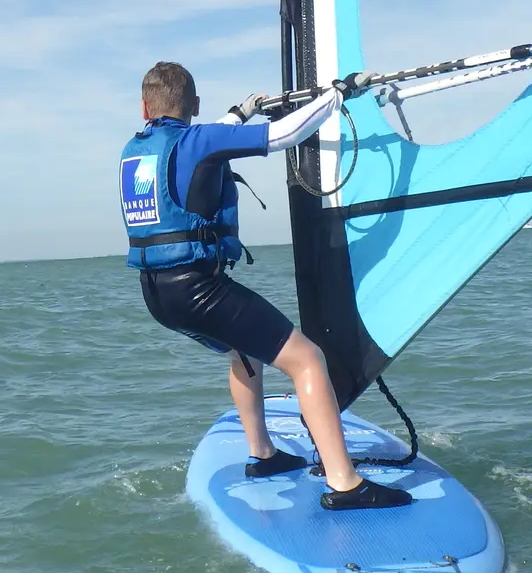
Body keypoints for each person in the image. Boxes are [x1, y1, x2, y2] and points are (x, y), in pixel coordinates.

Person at [121, 60, 410, 510]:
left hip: (156, 294)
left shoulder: (137, 149)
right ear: (194, 105)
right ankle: (345, 483)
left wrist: (241, 113)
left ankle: (263, 455)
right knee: (308, 359)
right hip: (198, 289)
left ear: (144, 106)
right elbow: (282, 136)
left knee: (244, 350)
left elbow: (207, 142)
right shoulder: (200, 140)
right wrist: (337, 95)